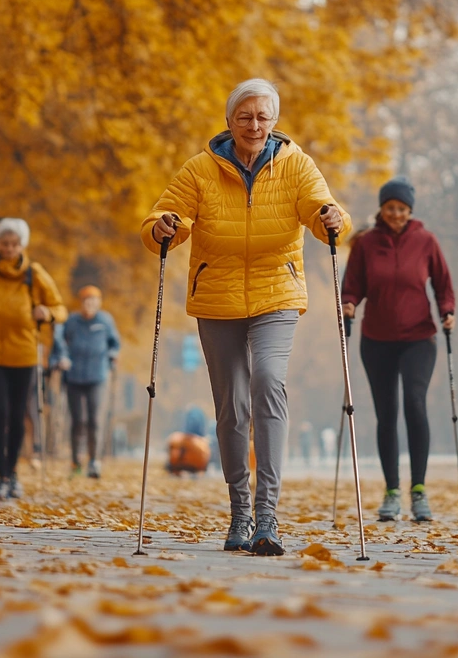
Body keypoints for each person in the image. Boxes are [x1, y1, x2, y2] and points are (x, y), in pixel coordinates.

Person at [143, 78, 349, 556]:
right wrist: (163, 228)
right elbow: (162, 220)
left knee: (269, 382)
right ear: (230, 121)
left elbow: (322, 211)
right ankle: (239, 513)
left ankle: (268, 516)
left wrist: (331, 218)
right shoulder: (200, 170)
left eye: (263, 117)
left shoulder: (296, 165)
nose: (254, 125)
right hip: (217, 297)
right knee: (232, 406)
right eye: (245, 116)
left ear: (274, 121)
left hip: (277, 293)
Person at [341, 176, 455, 523]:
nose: (396, 214)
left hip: (419, 337)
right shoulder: (366, 243)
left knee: (414, 404)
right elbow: (352, 285)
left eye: (402, 209)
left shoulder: (426, 241)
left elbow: (444, 284)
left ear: (410, 210)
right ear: (382, 208)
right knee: (386, 413)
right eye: (391, 208)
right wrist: (348, 304)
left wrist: (447, 310)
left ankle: (418, 490)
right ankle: (391, 492)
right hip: (376, 340)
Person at [0, 218, 68, 500]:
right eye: (4, 244)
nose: (9, 249)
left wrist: (47, 313)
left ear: (22, 245)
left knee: (18, 414)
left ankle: (14, 474)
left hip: (25, 355)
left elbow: (60, 308)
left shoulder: (35, 273)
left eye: (14, 244)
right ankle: (2, 476)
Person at [52, 285, 121, 478]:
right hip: (74, 376)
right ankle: (76, 462)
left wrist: (113, 354)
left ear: (98, 304)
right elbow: (60, 343)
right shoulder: (72, 321)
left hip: (98, 376)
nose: (89, 305)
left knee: (95, 420)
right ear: (81, 303)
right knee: (78, 421)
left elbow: (114, 343)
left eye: (93, 302)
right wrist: (61, 358)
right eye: (86, 301)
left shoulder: (105, 321)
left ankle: (94, 461)